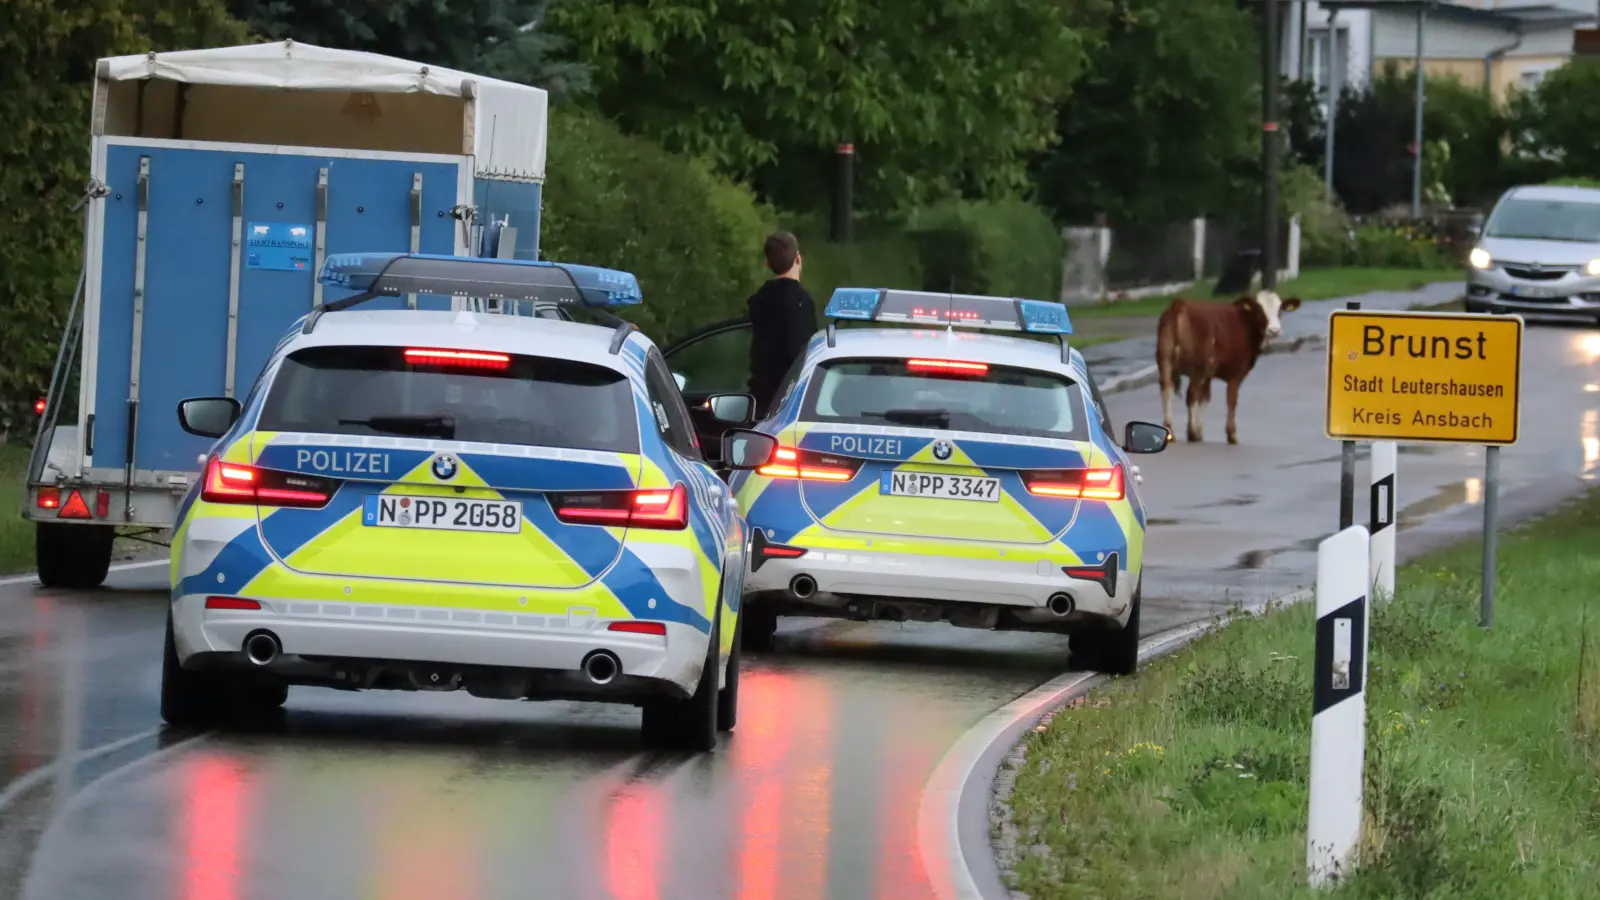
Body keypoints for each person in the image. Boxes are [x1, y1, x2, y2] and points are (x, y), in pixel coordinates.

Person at [746, 232, 817, 418]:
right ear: (798, 259)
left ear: (767, 263)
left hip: (759, 401)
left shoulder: (759, 300)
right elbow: (802, 354)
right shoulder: (801, 302)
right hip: (788, 403)